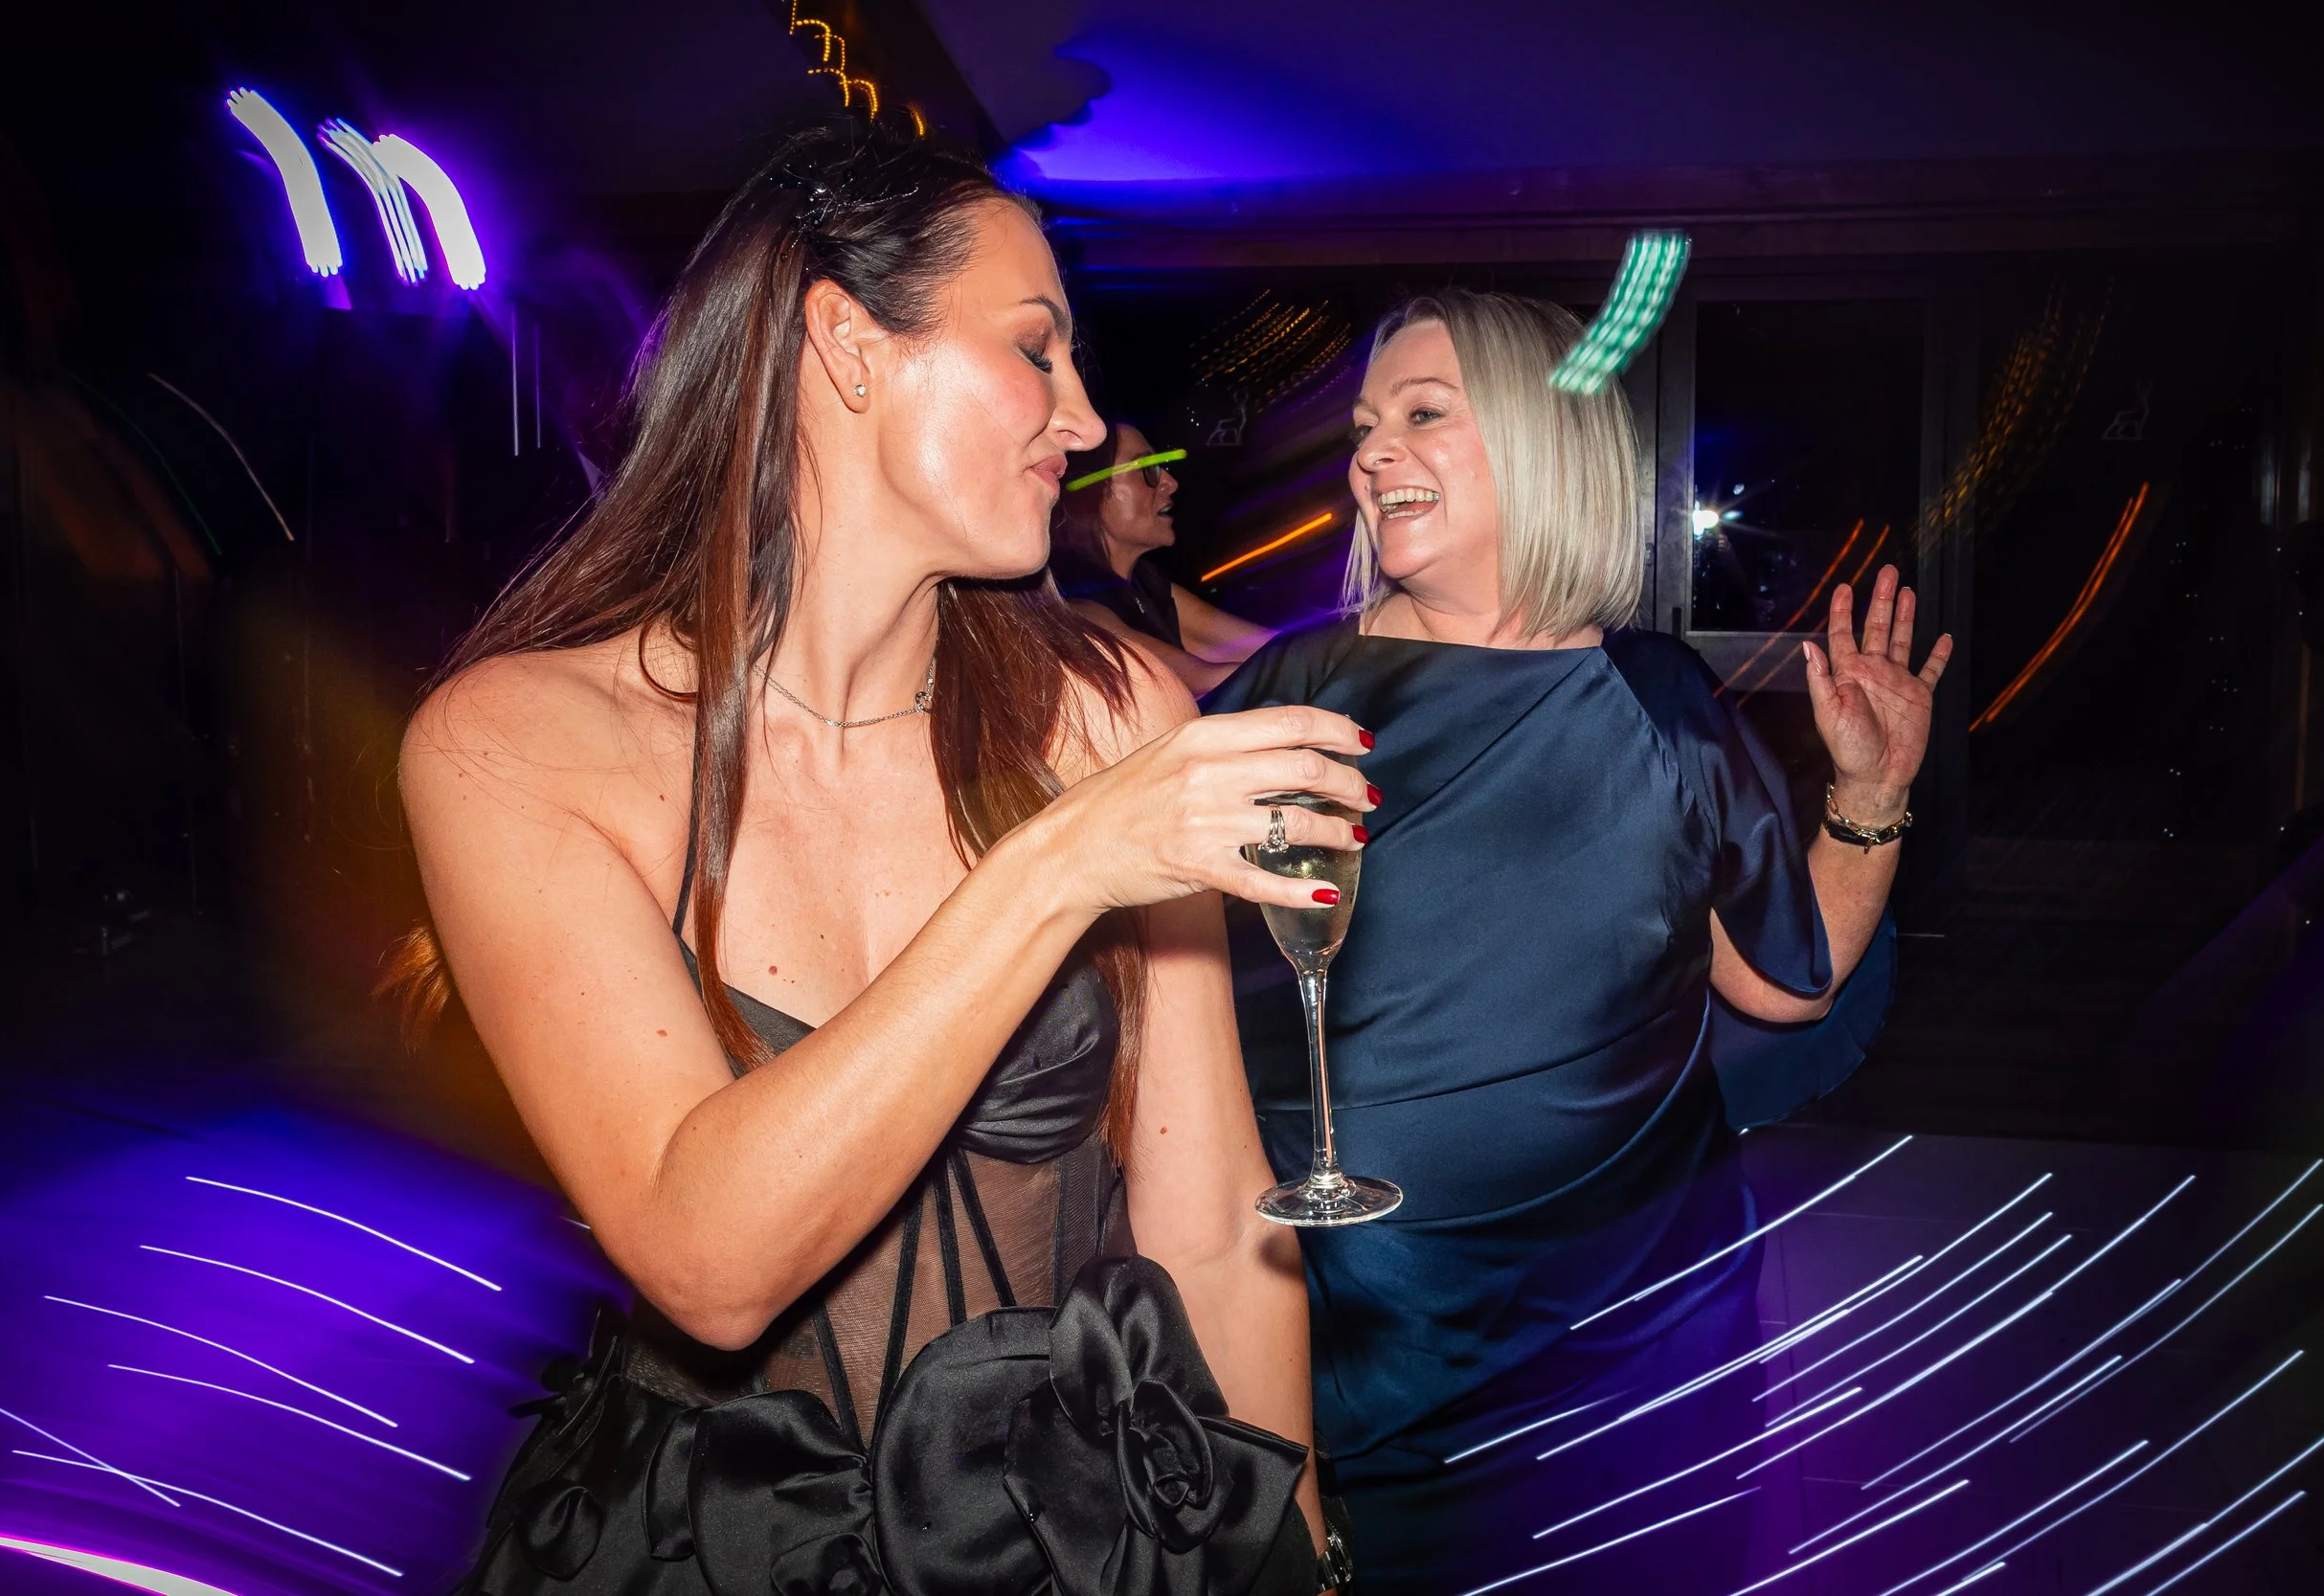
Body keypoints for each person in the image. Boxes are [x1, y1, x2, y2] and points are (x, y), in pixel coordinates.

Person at [395, 125, 1372, 1595]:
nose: (1091, 421)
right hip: (702, 1544)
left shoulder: (1108, 711)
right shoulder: (509, 743)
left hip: (1080, 1535)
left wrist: (1301, 1554)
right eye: (1038, 351)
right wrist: (1054, 867)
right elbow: (708, 1263)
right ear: (846, 344)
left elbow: (1215, 1215)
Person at [1205, 289, 1950, 1593]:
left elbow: (1783, 979)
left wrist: (1873, 793)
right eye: (1368, 425)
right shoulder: (1283, 695)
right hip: (1352, 1352)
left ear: (1548, 443)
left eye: (1425, 415)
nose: (1372, 453)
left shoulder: (1656, 700)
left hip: (1629, 1346)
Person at [1050, 421, 1275, 693]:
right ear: (1090, 490)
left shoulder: (1148, 585)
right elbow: (1202, 682)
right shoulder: (1075, 609)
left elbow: (1265, 647)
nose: (1170, 482)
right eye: (1147, 470)